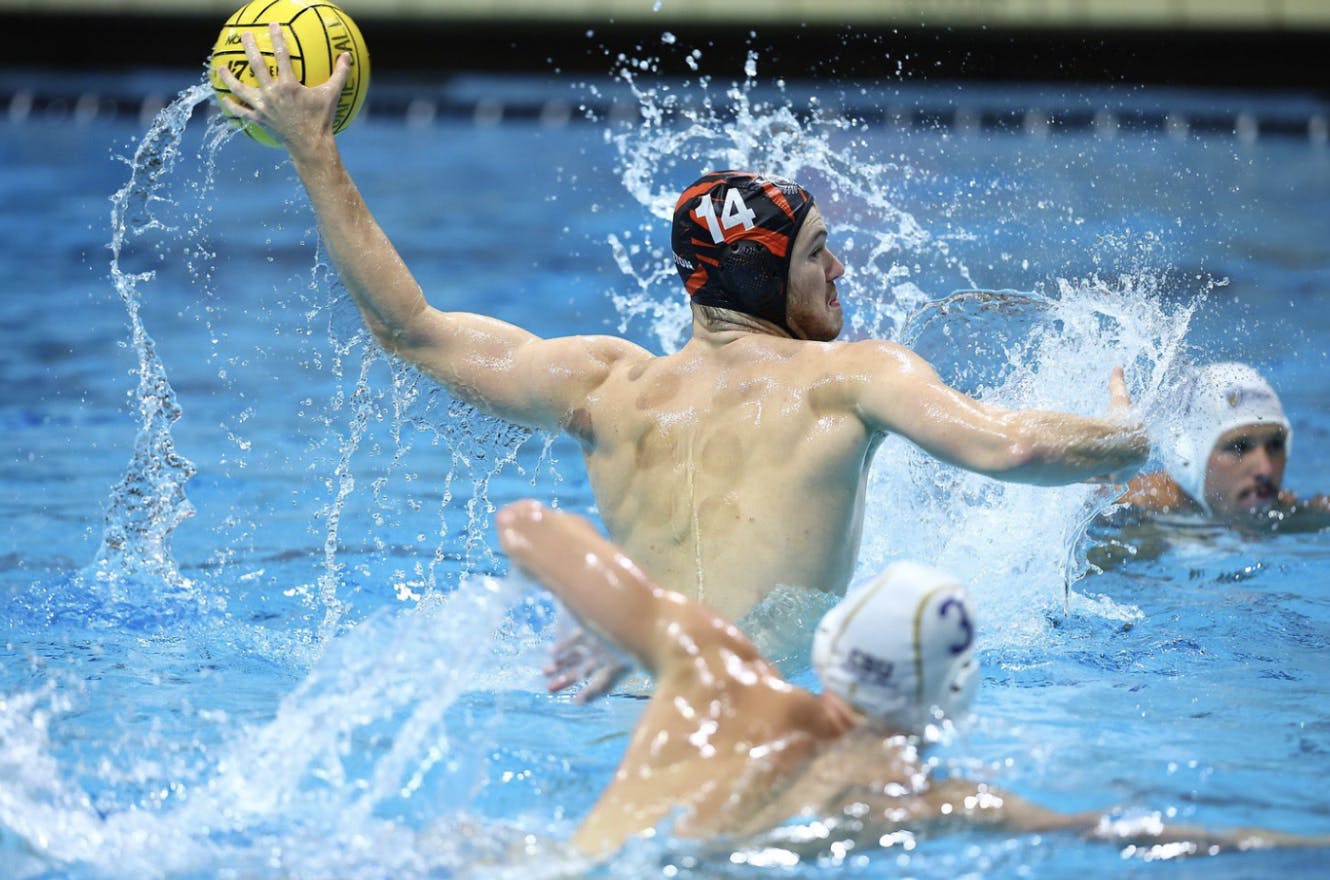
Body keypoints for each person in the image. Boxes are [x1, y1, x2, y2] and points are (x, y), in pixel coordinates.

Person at [218, 33, 1146, 654]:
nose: (843, 274)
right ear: (760, 276)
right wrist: (1132, 434)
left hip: (624, 712)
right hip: (751, 721)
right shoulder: (852, 380)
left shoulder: (608, 387)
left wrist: (313, 150)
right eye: (819, 253)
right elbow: (1011, 445)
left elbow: (405, 327)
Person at [496, 499, 1328, 856]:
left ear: (830, 645)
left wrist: (612, 620)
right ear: (951, 699)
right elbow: (1117, 835)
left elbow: (526, 524)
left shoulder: (714, 667)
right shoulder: (921, 797)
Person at [1119, 363, 1329, 530]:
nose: (1266, 469)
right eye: (1239, 447)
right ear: (1187, 457)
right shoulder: (1129, 514)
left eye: (1275, 445)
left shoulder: (1287, 512)